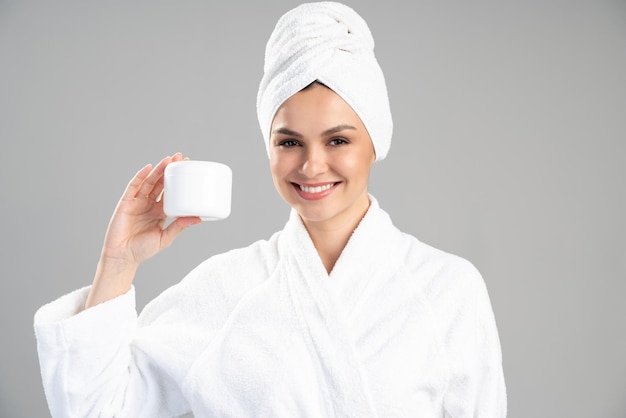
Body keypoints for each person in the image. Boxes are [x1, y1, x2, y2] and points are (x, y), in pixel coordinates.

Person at [34, 2, 507, 417]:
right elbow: (95, 410)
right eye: (289, 142)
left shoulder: (447, 290)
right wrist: (118, 263)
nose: (311, 165)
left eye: (338, 139)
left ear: (375, 143)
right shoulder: (224, 290)